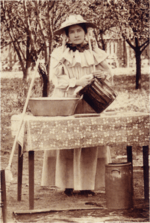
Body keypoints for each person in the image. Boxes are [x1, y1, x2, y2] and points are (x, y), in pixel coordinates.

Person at [41, 14, 112, 196]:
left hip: (91, 100)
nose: (76, 34)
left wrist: (100, 75)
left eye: (79, 30)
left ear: (85, 32)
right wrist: (76, 81)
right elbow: (56, 80)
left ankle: (88, 184)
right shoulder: (58, 54)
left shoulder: (95, 52)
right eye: (71, 32)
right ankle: (67, 183)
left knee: (89, 140)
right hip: (66, 100)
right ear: (66, 35)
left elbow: (108, 72)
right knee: (67, 139)